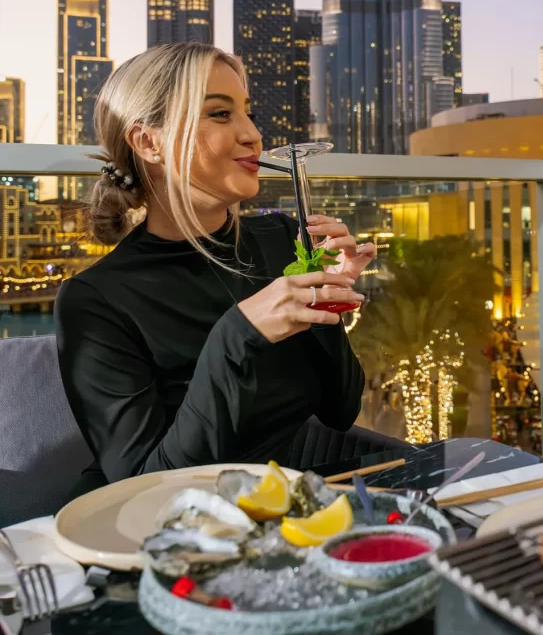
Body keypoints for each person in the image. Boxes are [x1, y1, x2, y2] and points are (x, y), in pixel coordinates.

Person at [56, 43, 381, 487]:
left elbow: (340, 410)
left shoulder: (285, 239)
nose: (252, 134)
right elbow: (144, 486)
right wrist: (239, 335)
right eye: (220, 114)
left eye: (247, 112)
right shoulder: (96, 302)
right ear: (149, 142)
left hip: (280, 506)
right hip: (170, 531)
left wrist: (326, 302)